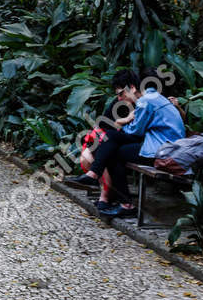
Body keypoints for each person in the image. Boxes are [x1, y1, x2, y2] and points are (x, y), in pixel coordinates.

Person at [67, 68, 187, 217]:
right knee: (112, 144)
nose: (119, 98)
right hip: (162, 146)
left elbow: (135, 131)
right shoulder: (153, 97)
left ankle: (110, 189)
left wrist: (122, 121)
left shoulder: (146, 101)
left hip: (165, 151)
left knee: (112, 146)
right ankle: (109, 189)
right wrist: (124, 123)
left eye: (121, 93)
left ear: (132, 88)